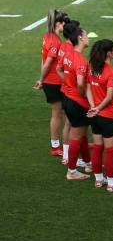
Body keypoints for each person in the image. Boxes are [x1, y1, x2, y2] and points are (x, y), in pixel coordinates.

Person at [86, 39, 113, 192]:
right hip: (109, 116)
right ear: (108, 53)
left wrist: (93, 107)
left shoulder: (91, 68)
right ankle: (111, 183)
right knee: (110, 150)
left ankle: (98, 180)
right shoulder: (110, 71)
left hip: (95, 116)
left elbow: (88, 88)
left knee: (98, 147)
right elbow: (109, 97)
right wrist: (98, 108)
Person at [57, 27, 92, 180]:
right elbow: (80, 83)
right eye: (85, 35)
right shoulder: (81, 60)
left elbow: (59, 69)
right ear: (79, 38)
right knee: (77, 136)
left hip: (67, 98)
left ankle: (87, 162)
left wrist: (68, 84)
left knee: (81, 134)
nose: (88, 37)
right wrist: (83, 93)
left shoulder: (68, 54)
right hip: (77, 102)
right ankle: (71, 171)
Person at [33, 9, 69, 158]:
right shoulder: (55, 41)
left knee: (61, 113)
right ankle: (56, 147)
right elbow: (47, 63)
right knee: (57, 114)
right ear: (59, 24)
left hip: (51, 81)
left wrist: (42, 79)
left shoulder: (48, 36)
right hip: (54, 82)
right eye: (64, 23)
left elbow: (43, 60)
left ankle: (63, 144)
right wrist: (41, 80)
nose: (66, 26)